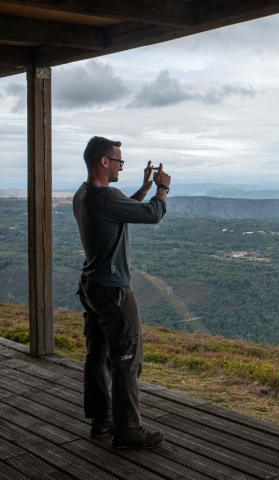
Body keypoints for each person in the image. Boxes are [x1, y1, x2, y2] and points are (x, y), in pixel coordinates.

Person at [73, 136, 171, 449]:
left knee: (98, 354)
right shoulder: (105, 197)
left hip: (92, 288)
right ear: (103, 161)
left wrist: (142, 189)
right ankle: (128, 430)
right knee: (128, 358)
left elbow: (117, 209)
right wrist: (161, 188)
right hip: (114, 292)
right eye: (118, 161)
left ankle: (102, 421)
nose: (120, 167)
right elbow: (154, 214)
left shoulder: (84, 194)